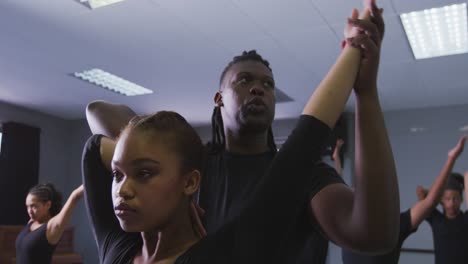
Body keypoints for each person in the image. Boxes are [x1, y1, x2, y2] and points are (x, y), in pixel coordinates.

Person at [84, 1, 399, 262]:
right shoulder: (191, 166)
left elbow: (374, 235)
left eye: (267, 84)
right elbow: (97, 112)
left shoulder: (307, 176)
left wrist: (366, 95)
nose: (259, 89)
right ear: (219, 99)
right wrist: (155, 155)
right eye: (245, 81)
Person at [340, 135, 466, 264]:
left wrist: (451, 159)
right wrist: (451, 159)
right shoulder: (349, 226)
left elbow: (429, 202)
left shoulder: (390, 228)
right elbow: (429, 201)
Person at [15, 183, 84, 264]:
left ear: (48, 205)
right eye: (27, 206)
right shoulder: (32, 221)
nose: (29, 211)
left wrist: (94, 176)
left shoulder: (52, 227)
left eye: (34, 206)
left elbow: (75, 196)